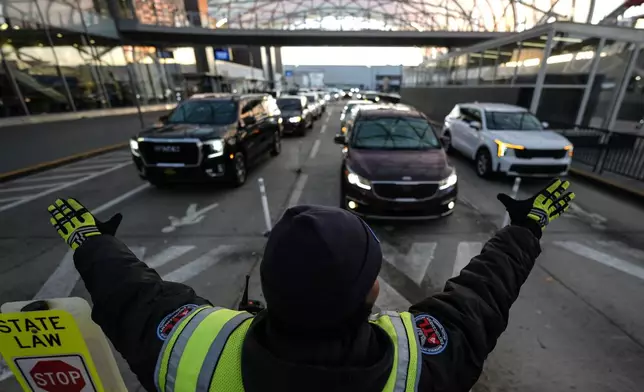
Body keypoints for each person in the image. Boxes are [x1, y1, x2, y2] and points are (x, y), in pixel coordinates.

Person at [47, 178, 575, 392]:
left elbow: (129, 294)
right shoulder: (425, 360)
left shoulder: (190, 350)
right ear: (372, 291)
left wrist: (90, 240)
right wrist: (526, 228)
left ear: (271, 288)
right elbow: (483, 294)